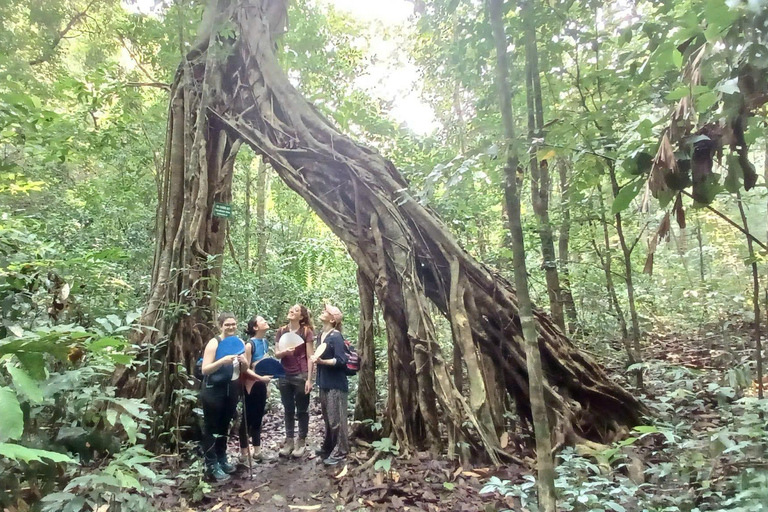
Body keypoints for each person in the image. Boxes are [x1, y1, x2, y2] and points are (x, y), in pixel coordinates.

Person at [200, 312, 247, 482]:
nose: (231, 327)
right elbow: (205, 369)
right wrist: (222, 361)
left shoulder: (239, 342)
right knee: (212, 427)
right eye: (227, 324)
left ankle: (222, 458)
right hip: (214, 389)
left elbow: (244, 369)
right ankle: (212, 464)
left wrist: (244, 361)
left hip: (231, 388)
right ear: (221, 326)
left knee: (224, 426)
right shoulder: (215, 343)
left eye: (233, 324)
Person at [310, 304, 349, 466]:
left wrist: (322, 361)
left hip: (335, 383)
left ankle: (341, 450)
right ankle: (329, 446)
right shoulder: (321, 335)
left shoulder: (336, 336)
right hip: (324, 382)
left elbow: (341, 360)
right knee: (327, 418)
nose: (322, 312)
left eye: (326, 312)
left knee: (336, 420)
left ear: (333, 319)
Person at [274, 304, 315, 458]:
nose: (292, 311)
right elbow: (277, 354)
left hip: (301, 374)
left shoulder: (306, 332)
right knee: (288, 408)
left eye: (296, 310)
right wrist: (285, 351)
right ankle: (289, 440)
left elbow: (311, 356)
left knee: (302, 409)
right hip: (284, 374)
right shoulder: (281, 331)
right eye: (291, 309)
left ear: (301, 317)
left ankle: (301, 441)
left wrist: (309, 379)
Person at [239, 315, 272, 463]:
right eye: (262, 320)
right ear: (255, 327)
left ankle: (257, 451)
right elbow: (245, 369)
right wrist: (260, 379)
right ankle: (244, 453)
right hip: (250, 386)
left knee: (258, 418)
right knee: (247, 420)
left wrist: (267, 384)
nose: (266, 321)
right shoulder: (249, 345)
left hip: (261, 384)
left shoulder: (265, 342)